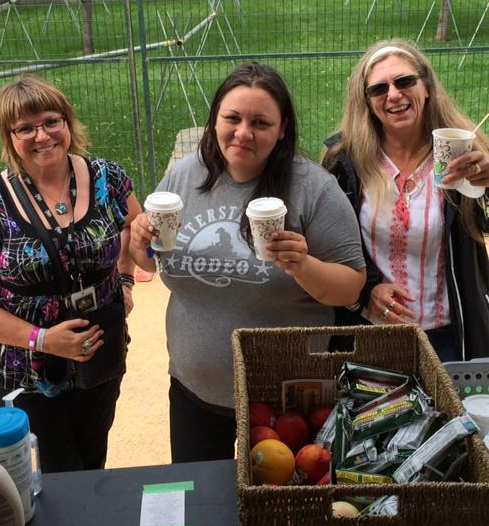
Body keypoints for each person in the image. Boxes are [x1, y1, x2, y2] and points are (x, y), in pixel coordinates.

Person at [129, 62, 366, 463]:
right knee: (202, 505)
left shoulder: (314, 190)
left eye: (260, 122)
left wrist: (302, 265)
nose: (243, 133)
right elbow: (149, 264)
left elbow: (351, 286)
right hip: (194, 389)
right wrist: (140, 243)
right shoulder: (185, 177)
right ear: (214, 119)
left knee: (280, 514)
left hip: (285, 398)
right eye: (232, 118)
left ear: (283, 128)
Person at [0, 74, 141, 472]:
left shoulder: (108, 177)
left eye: (51, 121)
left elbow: (135, 230)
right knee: (58, 469)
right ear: (10, 136)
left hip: (100, 346)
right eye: (25, 128)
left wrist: (124, 278)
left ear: (68, 123)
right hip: (23, 365)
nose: (42, 135)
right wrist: (43, 339)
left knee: (92, 459)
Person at [322, 40, 489, 362]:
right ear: (366, 100)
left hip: (449, 341)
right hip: (370, 335)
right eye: (378, 89)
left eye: (404, 81)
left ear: (426, 86)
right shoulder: (345, 164)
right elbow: (328, 243)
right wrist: (366, 291)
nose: (393, 95)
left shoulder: (461, 154)